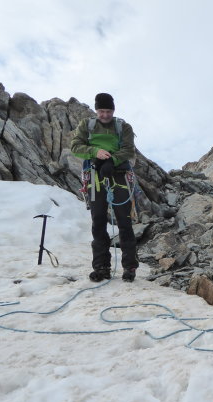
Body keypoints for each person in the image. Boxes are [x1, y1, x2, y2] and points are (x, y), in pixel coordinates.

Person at [71, 93, 138, 282]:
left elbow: (128, 149)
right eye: (101, 111)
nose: (105, 115)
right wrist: (95, 151)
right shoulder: (87, 125)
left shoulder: (123, 127)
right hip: (95, 176)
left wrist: (112, 160)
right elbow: (75, 146)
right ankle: (101, 267)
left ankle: (129, 267)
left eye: (108, 111)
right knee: (98, 220)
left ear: (113, 110)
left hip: (119, 175)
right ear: (96, 110)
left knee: (124, 221)